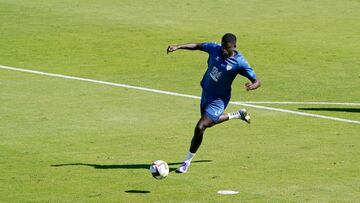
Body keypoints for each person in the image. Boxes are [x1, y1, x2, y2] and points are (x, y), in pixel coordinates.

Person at [167, 33, 261, 173]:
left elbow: (257, 80)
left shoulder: (239, 62)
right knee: (208, 123)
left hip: (219, 99)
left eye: (227, 48)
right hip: (206, 92)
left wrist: (254, 85)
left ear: (234, 47)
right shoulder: (214, 48)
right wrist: (178, 46)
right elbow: (198, 46)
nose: (223, 49)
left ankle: (186, 162)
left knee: (200, 127)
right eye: (223, 46)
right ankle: (238, 114)